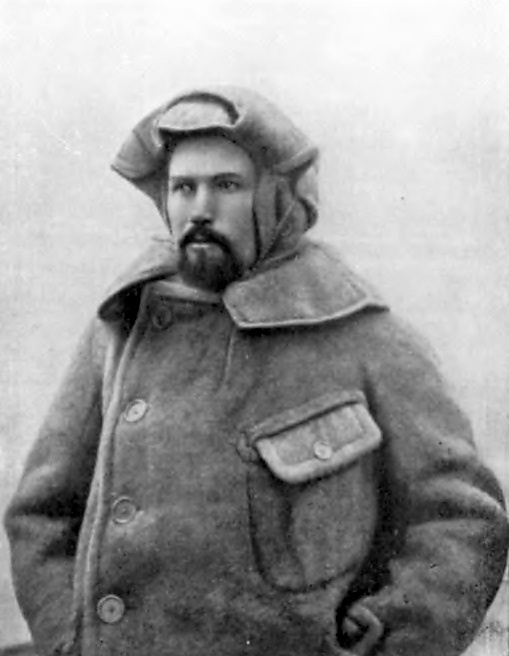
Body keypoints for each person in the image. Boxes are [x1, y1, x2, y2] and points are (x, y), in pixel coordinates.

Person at [4, 86, 509, 656]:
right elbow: (41, 514)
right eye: (183, 187)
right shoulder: (122, 326)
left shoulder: (363, 333)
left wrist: (387, 639)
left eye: (226, 185)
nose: (200, 209)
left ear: (275, 198)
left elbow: (461, 518)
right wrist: (67, 639)